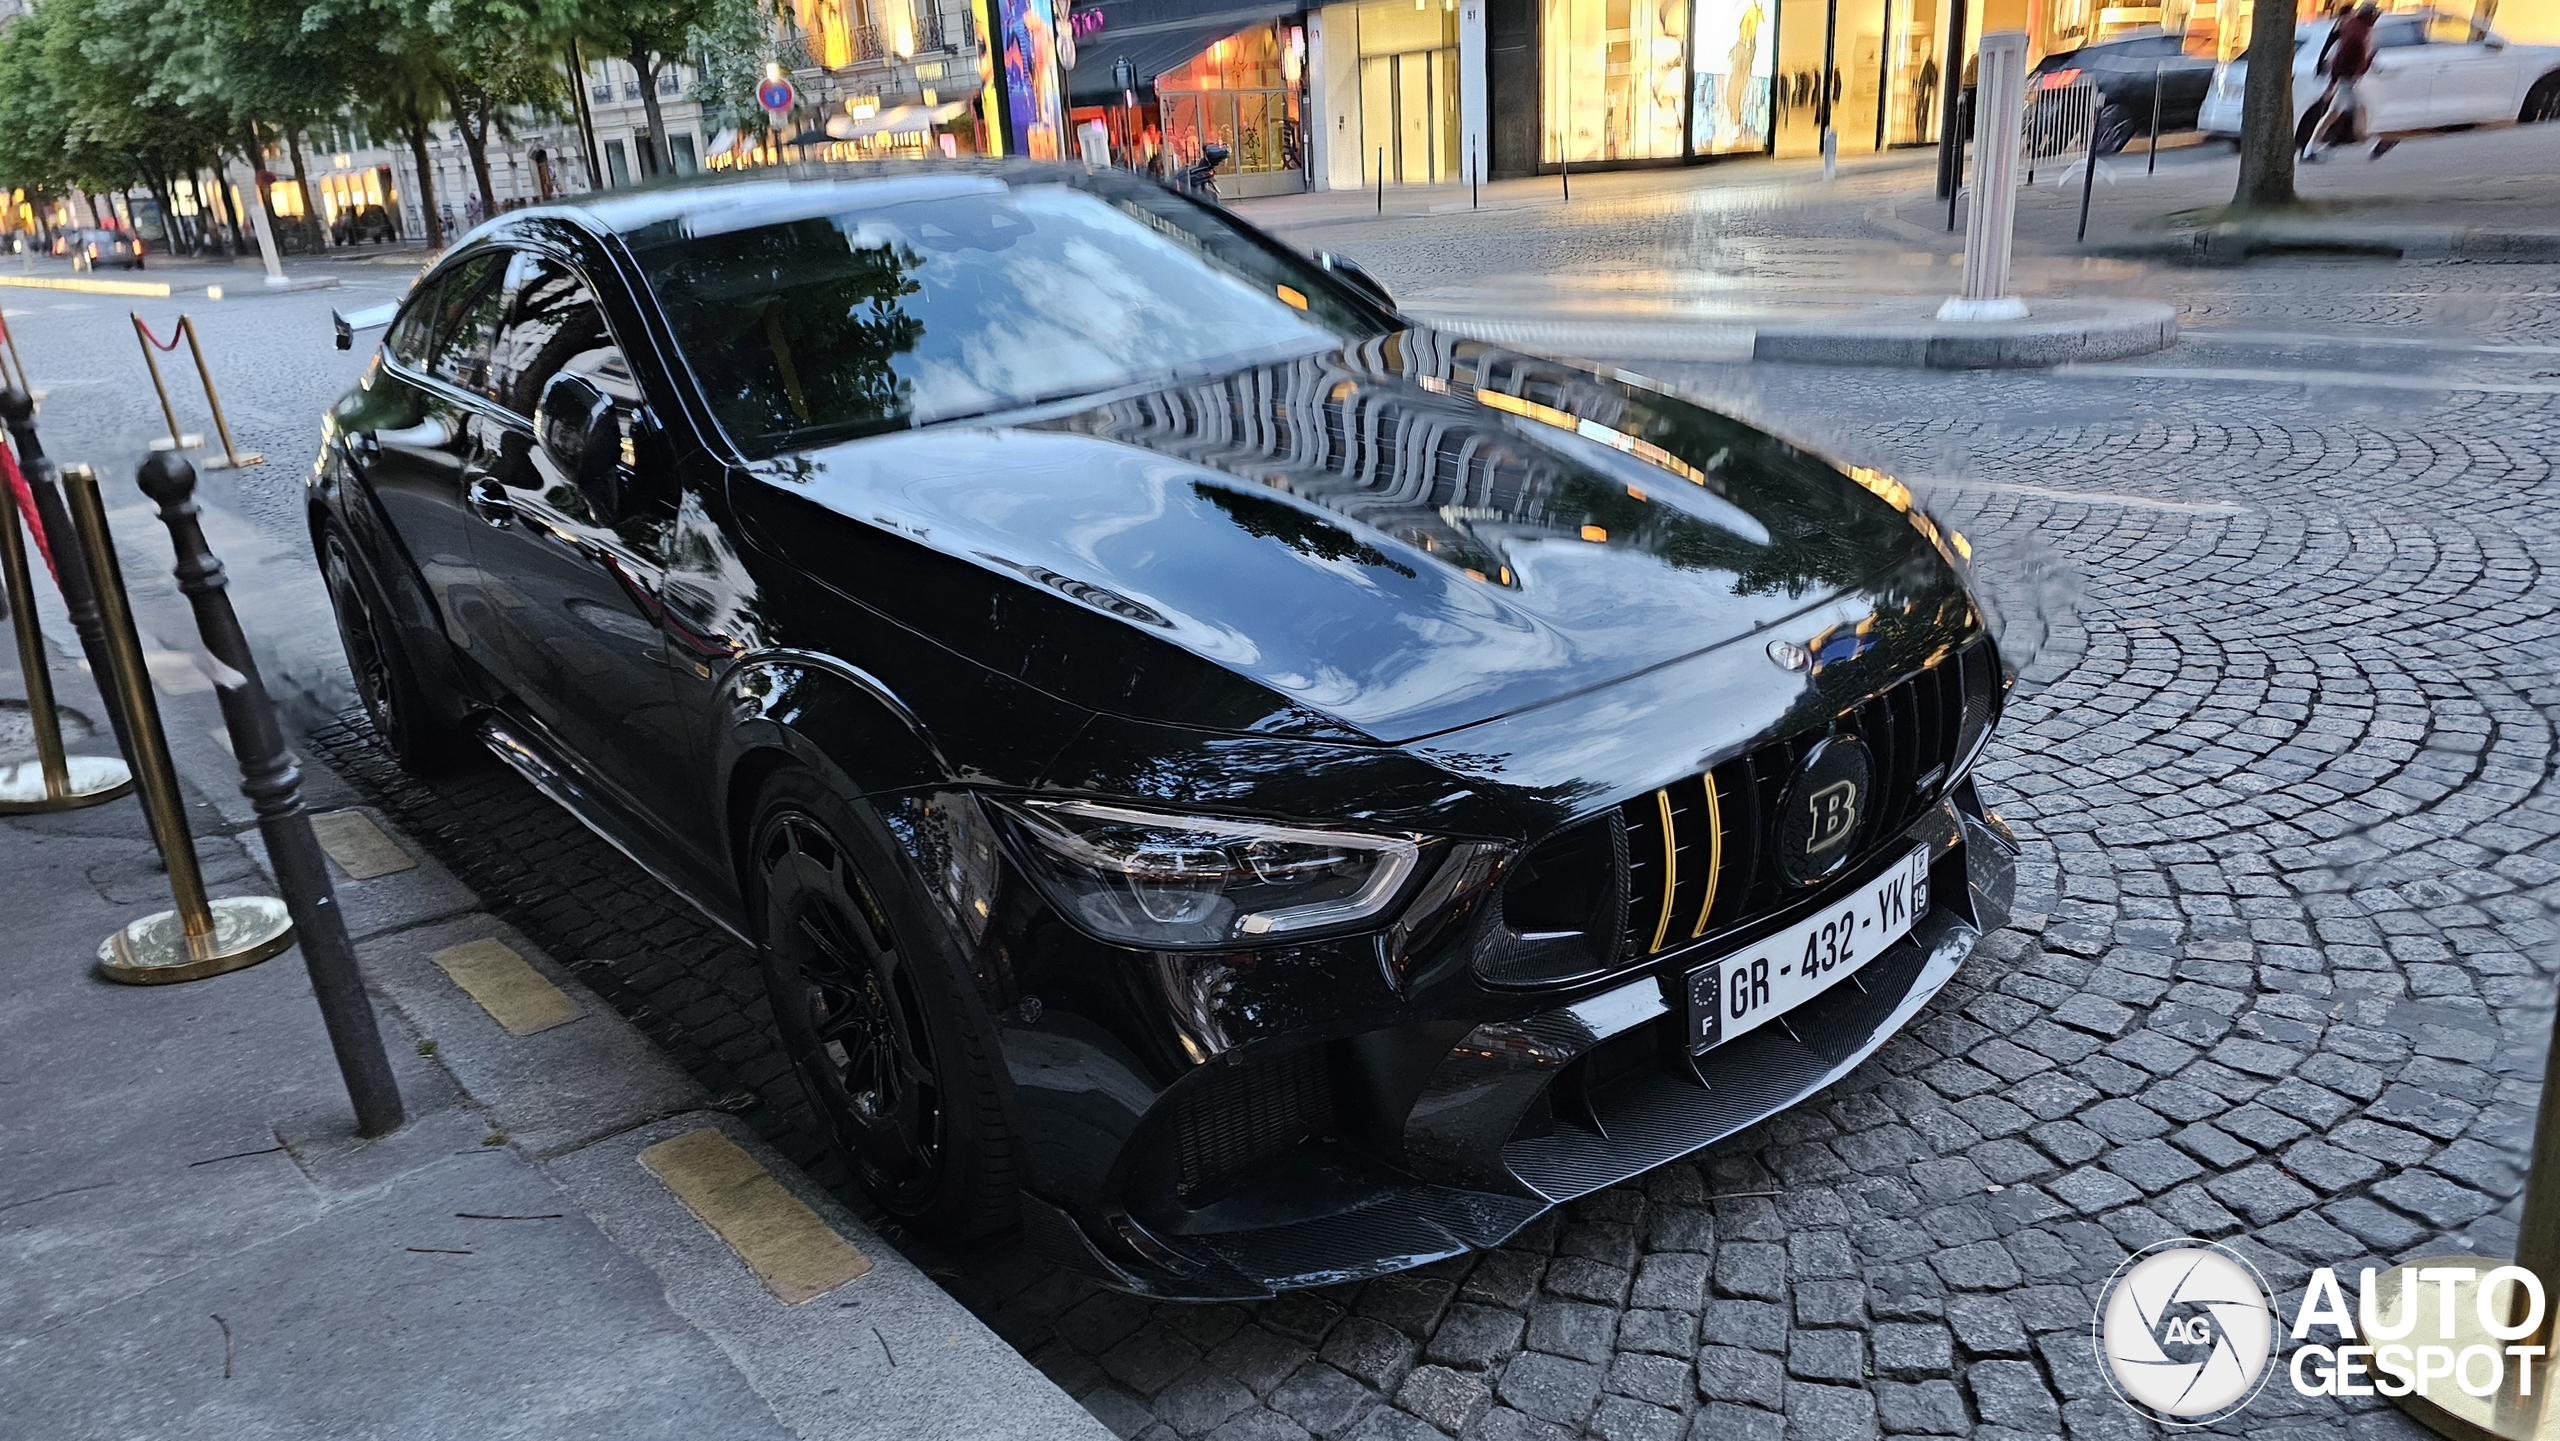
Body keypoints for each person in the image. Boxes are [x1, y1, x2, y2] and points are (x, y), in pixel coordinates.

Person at [2304, 1, 2380, 162]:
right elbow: (2343, 58)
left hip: (2347, 78)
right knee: (2358, 110)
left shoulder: (2356, 28)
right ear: (2370, 16)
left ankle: (2311, 148)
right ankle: (2372, 144)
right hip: (2348, 79)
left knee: (2336, 113)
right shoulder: (2357, 33)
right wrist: (2333, 81)